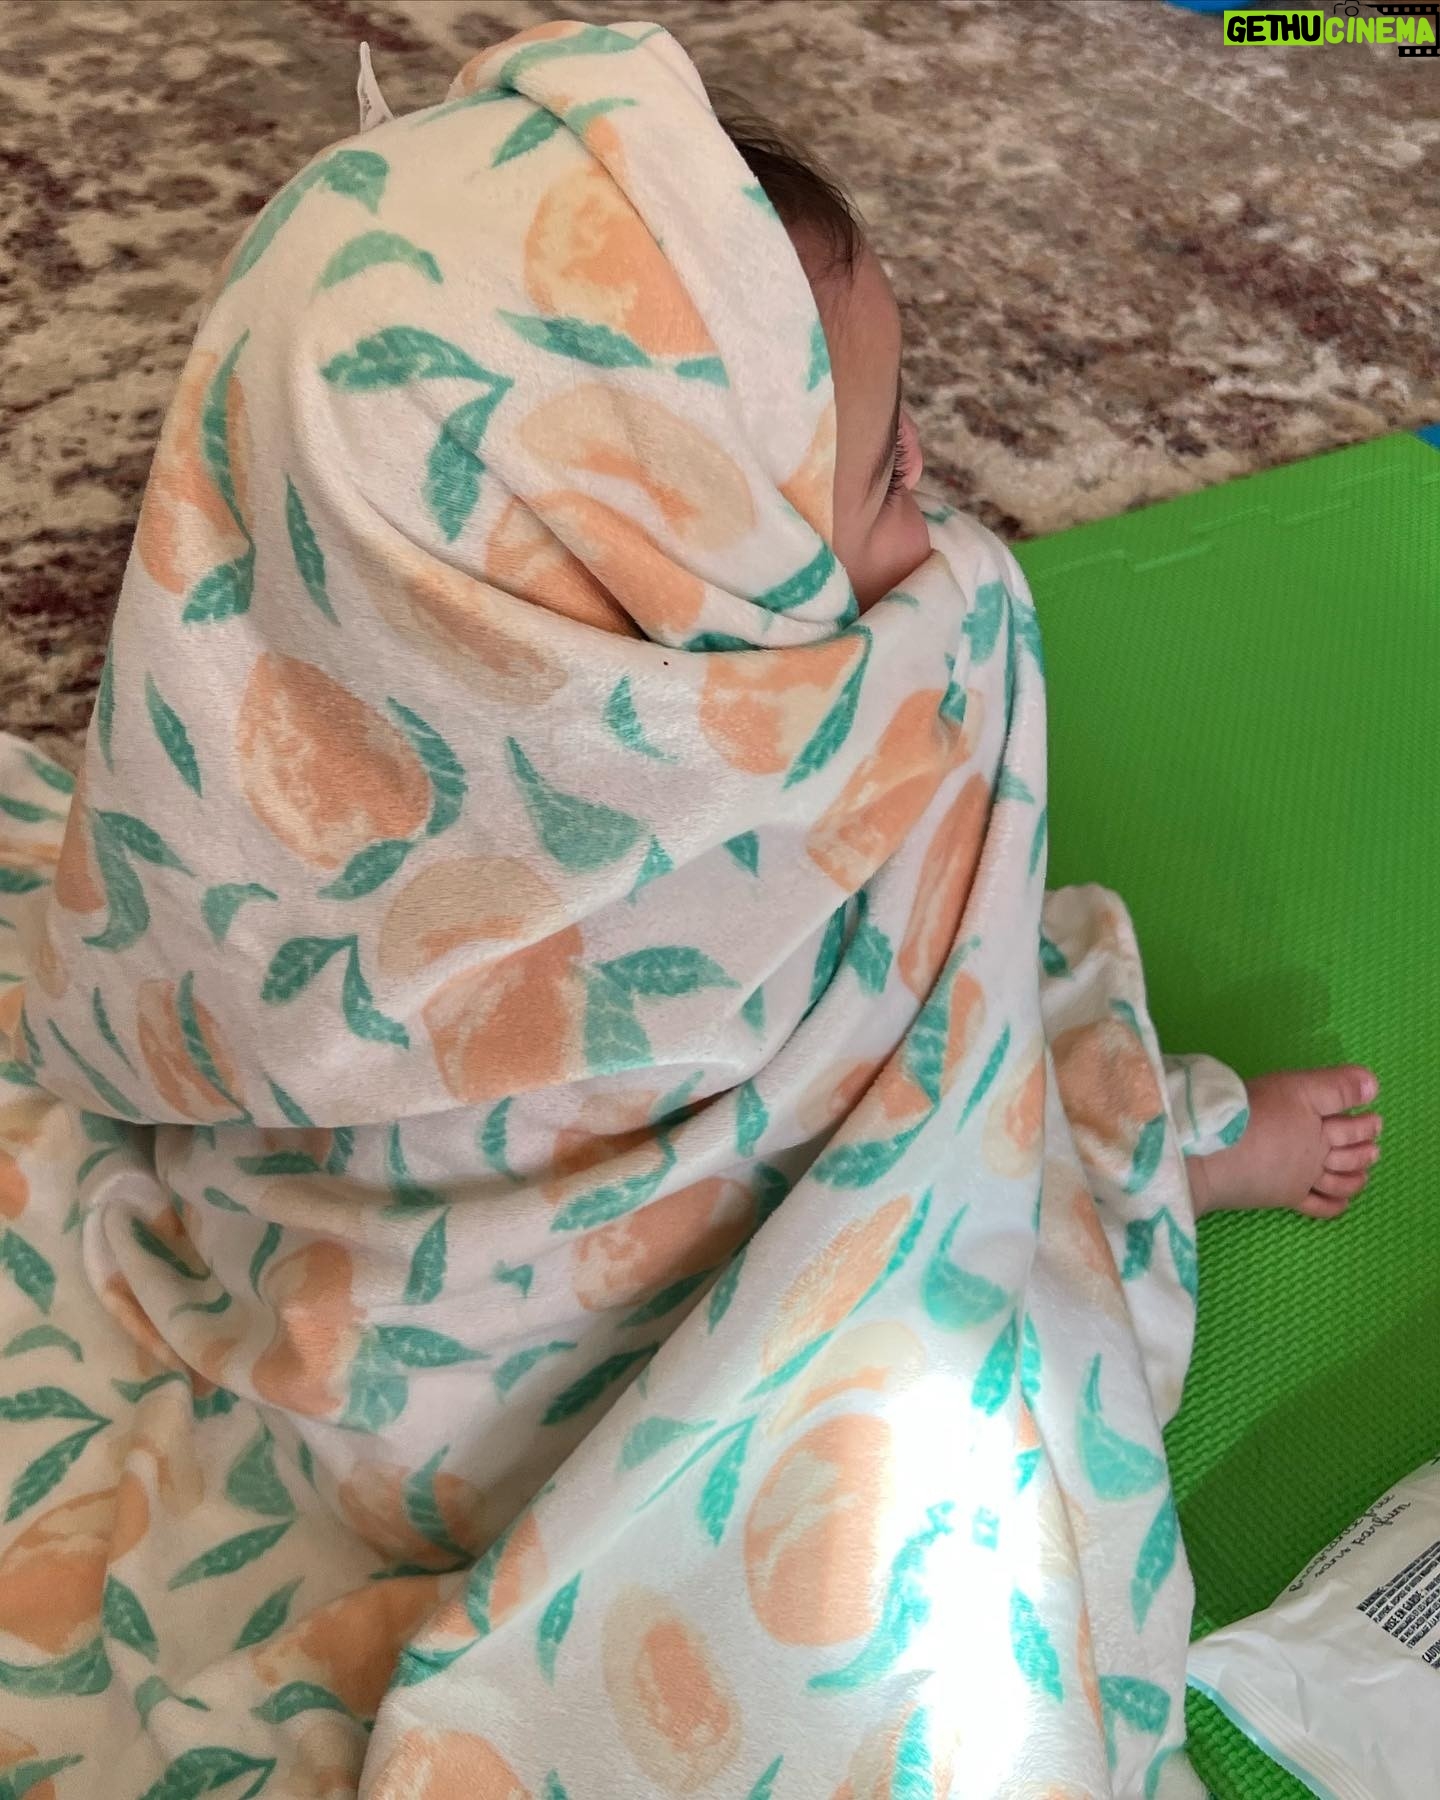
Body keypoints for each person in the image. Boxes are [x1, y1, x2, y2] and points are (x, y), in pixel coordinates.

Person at [0, 21, 1379, 1798]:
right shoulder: (844, 730)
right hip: (581, 1366)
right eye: (885, 478)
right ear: (651, 663)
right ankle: (1145, 1150)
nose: (941, 500)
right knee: (963, 1263)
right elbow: (906, 1096)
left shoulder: (276, 759)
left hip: (329, 1307)